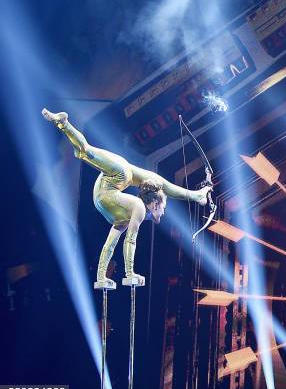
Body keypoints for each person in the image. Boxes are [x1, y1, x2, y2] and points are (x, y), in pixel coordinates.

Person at [42, 109, 212, 289]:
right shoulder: (137, 206)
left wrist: (102, 277)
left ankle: (196, 196)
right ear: (154, 204)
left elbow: (111, 243)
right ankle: (62, 123)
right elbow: (130, 240)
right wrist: (130, 274)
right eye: (163, 207)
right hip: (116, 177)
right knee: (86, 152)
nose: (164, 211)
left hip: (106, 193)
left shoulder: (127, 212)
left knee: (157, 182)